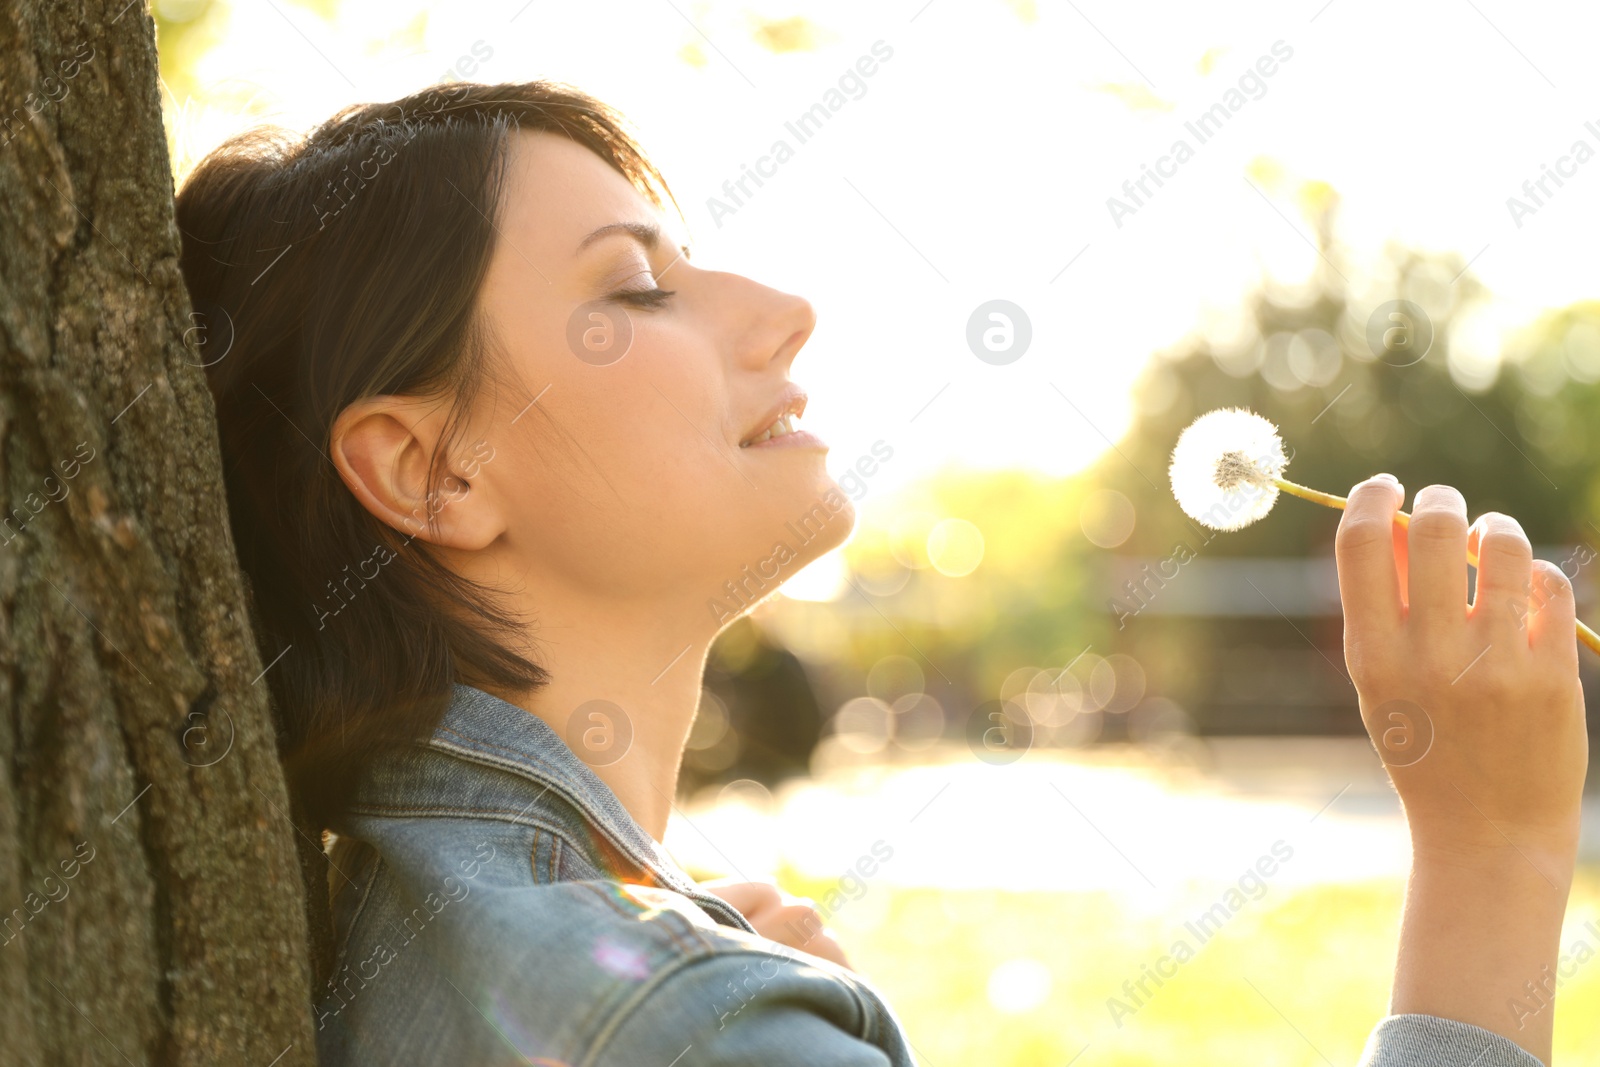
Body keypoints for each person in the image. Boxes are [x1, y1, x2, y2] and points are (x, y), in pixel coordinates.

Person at [174, 80, 1585, 1066]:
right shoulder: (677, 1026)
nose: (784, 315)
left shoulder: (434, 914)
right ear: (431, 472)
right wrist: (1495, 857)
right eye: (634, 289)